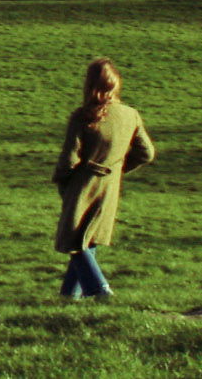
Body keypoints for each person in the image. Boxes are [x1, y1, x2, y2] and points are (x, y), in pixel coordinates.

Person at [53, 58, 155, 300]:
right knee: (89, 238)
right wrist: (118, 169)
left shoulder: (82, 117)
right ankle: (69, 296)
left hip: (82, 184)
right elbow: (147, 153)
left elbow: (69, 159)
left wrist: (62, 181)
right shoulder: (131, 115)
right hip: (110, 185)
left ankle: (100, 289)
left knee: (75, 239)